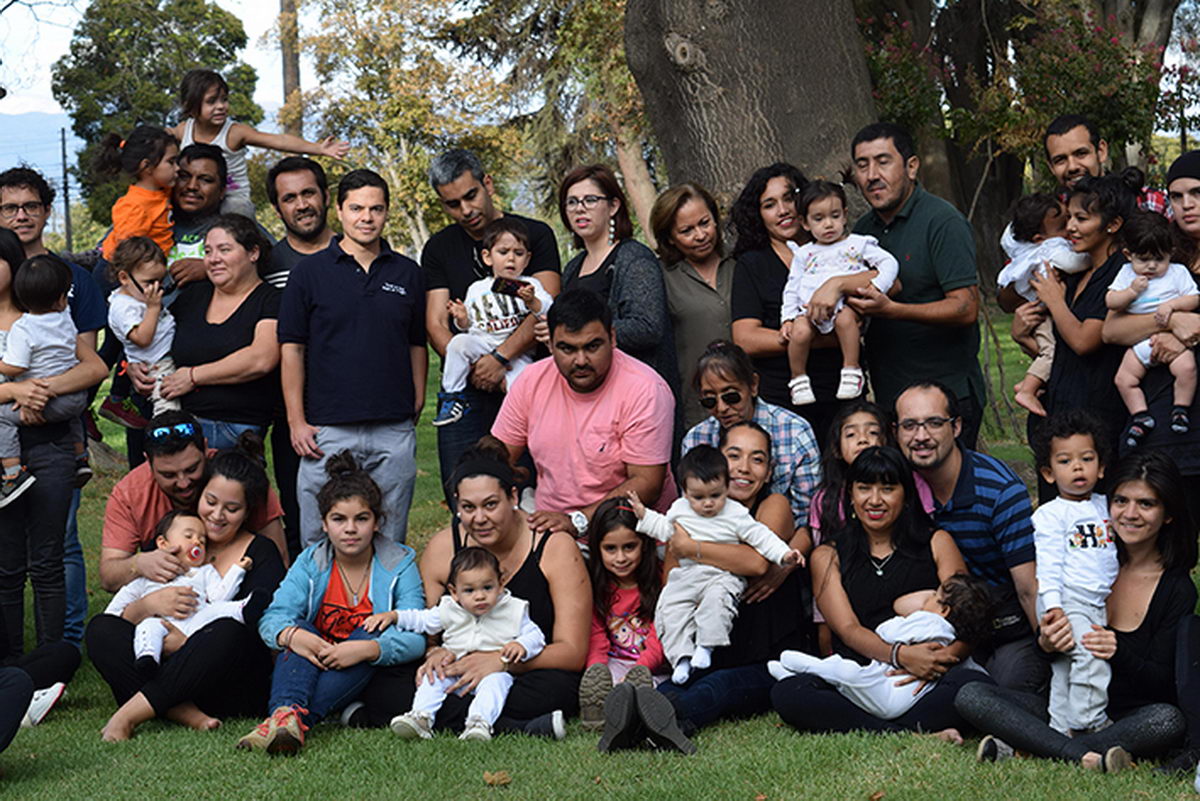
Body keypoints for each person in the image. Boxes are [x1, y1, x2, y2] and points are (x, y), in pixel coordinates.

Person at [956, 449, 1197, 772]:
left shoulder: (1176, 589)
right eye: (1121, 501)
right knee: (971, 695)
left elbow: (1164, 682)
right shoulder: (1086, 563)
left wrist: (1118, 651)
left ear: (1168, 514)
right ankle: (1077, 752)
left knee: (1167, 721)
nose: (1130, 514)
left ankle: (1037, 747)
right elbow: (1055, 658)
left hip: (1123, 716)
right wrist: (1046, 644)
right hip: (1062, 707)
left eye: (1146, 504)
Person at [349, 440, 589, 735]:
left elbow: (572, 652)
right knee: (385, 685)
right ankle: (515, 726)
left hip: (524, 670)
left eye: (491, 505)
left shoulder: (553, 545)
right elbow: (428, 630)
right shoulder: (444, 546)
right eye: (468, 507)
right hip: (456, 666)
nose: (480, 518)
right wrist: (434, 654)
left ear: (513, 496)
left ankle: (428, 716)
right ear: (456, 504)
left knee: (559, 689)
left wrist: (500, 662)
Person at [598, 421, 805, 752]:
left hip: (768, 654)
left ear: (768, 472)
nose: (744, 467)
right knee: (679, 683)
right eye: (734, 455)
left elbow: (755, 562)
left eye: (757, 459)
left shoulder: (772, 505)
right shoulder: (688, 514)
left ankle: (661, 723)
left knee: (718, 687)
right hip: (711, 649)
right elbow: (672, 576)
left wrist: (690, 547)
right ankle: (630, 720)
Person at [770, 446, 990, 739]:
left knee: (972, 686)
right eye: (864, 488)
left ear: (906, 494)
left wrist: (942, 659)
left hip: (926, 681)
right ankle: (905, 733)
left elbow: (967, 612)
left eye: (887, 489)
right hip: (860, 679)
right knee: (790, 693)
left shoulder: (936, 541)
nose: (875, 500)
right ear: (850, 494)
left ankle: (879, 727)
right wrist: (901, 655)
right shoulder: (828, 555)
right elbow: (848, 629)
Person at [89, 437, 287, 741]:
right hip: (166, 663)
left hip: (224, 679)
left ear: (247, 512)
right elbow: (125, 609)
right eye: (211, 502)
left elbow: (258, 629)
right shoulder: (174, 542)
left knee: (229, 629)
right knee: (100, 629)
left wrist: (186, 644)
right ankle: (180, 710)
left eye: (232, 508)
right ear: (199, 496)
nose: (217, 515)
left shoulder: (260, 553)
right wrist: (149, 605)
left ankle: (129, 715)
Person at [238, 451, 423, 754]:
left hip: (362, 667)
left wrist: (368, 649)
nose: (350, 529)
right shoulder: (311, 561)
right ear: (324, 523)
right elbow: (274, 616)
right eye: (339, 519)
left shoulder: (399, 563)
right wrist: (291, 635)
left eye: (361, 518)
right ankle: (288, 717)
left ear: (377, 522)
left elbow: (416, 634)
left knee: (375, 628)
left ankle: (283, 719)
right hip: (312, 661)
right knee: (298, 627)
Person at [279, 169, 426, 545]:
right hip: (326, 428)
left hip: (392, 426)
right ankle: (321, 588)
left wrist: (417, 396)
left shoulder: (407, 273)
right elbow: (292, 348)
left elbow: (416, 342)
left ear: (386, 211)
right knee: (317, 538)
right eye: (357, 208)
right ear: (340, 210)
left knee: (389, 537)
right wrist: (296, 421)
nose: (367, 217)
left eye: (376, 209)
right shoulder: (308, 274)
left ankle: (386, 587)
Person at [0, 170, 107, 645]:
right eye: (9, 208)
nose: (21, 215)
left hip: (53, 434)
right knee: (8, 556)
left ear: (46, 211)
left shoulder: (68, 286)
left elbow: (91, 364)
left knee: (57, 545)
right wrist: (18, 393)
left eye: (30, 206)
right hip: (12, 430)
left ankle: (63, 645)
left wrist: (36, 391)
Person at [423, 149, 561, 504]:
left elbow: (545, 306)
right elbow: (436, 322)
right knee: (462, 490)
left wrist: (500, 360)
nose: (466, 210)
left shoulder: (533, 235)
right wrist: (476, 368)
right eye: (453, 204)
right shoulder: (439, 248)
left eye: (471, 195)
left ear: (488, 184)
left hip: (527, 378)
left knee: (530, 486)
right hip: (467, 389)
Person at [894, 381, 1043, 692]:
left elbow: (1027, 588)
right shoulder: (896, 487)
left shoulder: (999, 490)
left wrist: (1049, 648)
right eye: (909, 425)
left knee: (1004, 689)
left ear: (957, 426)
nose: (921, 436)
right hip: (931, 621)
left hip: (1003, 625)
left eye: (934, 423)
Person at [492, 289, 675, 540]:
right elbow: (496, 457)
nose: (580, 360)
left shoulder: (646, 389)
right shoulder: (531, 380)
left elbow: (647, 483)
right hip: (551, 528)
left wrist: (577, 520)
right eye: (567, 349)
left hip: (630, 540)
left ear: (612, 338)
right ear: (550, 344)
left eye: (592, 346)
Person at [849, 122, 985, 448]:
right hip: (890, 399)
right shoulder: (860, 232)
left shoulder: (942, 221)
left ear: (911, 167)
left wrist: (893, 310)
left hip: (945, 398)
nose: (872, 175)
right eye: (862, 165)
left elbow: (965, 308)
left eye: (883, 162)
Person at [627, 445, 803, 684]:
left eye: (715, 495)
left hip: (722, 575)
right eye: (699, 497)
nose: (708, 503)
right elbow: (664, 528)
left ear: (725, 486)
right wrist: (644, 515)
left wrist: (784, 554)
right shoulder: (679, 509)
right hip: (687, 574)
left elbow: (761, 537)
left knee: (717, 603)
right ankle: (681, 659)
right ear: (685, 492)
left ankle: (706, 647)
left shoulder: (735, 513)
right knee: (670, 610)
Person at [1103, 150, 1200, 527]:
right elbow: (1112, 330)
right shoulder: (1157, 254)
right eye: (1176, 196)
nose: (1186, 204)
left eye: (1196, 193)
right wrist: (1173, 322)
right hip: (1162, 423)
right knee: (1167, 545)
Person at [135, 214, 281, 450]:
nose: (213, 259)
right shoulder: (193, 296)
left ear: (253, 253)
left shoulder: (271, 300)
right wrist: (136, 367)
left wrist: (192, 376)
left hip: (236, 429)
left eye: (224, 250)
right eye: (208, 251)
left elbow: (261, 359)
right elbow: (156, 338)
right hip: (181, 425)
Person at [1021, 170, 1138, 463]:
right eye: (1069, 218)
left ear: (1113, 224)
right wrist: (1023, 334)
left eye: (1081, 219)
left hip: (1096, 429)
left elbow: (1084, 342)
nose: (1070, 227)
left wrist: (1055, 301)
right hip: (1057, 419)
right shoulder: (1076, 271)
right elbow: (1063, 349)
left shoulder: (1122, 275)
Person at [98, 411, 286, 590]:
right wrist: (138, 564)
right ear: (148, 461)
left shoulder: (238, 479)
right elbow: (109, 576)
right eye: (168, 475)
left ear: (205, 448)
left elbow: (280, 562)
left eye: (191, 469)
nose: (183, 483)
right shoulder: (129, 493)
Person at [385, 547, 555, 742]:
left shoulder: (513, 609)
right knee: (433, 677)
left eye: (487, 588)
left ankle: (479, 723)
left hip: (492, 672)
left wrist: (522, 645)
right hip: (454, 669)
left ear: (500, 584)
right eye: (469, 590)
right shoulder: (448, 609)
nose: (479, 596)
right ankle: (421, 717)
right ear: (454, 592)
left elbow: (536, 636)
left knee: (496, 685)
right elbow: (421, 619)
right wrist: (394, 616)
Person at [770, 573, 992, 720]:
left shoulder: (931, 622)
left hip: (888, 691)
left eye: (934, 595)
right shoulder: (948, 634)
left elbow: (886, 632)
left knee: (848, 674)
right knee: (845, 687)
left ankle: (812, 667)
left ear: (944, 610)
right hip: (900, 697)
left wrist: (899, 622)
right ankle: (798, 676)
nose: (928, 596)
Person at [1031, 408, 1117, 736]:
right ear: (1049, 473)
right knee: (1091, 654)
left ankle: (1059, 730)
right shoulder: (1051, 514)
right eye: (1065, 461)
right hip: (1065, 599)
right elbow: (1048, 564)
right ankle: (1089, 723)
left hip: (1094, 602)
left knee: (1065, 667)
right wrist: (1053, 606)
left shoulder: (1107, 506)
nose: (1078, 467)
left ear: (1101, 467)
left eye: (1087, 459)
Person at [558, 164, 677, 394]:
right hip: (589, 392)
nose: (579, 209)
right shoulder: (572, 267)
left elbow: (648, 327)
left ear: (613, 206)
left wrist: (581, 333)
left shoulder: (634, 258)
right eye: (571, 202)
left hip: (635, 391)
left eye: (590, 200)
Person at [681, 340, 819, 535]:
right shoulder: (696, 438)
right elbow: (690, 508)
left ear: (753, 385)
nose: (721, 408)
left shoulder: (795, 431)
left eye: (731, 396)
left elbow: (808, 520)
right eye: (709, 400)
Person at [169, 69, 349, 218]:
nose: (221, 106)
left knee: (236, 213)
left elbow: (279, 141)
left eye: (224, 99)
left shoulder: (234, 133)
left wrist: (318, 148)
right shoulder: (184, 130)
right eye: (211, 101)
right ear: (191, 106)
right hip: (199, 195)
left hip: (232, 198)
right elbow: (160, 138)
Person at [781, 180, 898, 405]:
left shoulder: (857, 245)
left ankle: (851, 370)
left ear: (844, 215)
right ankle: (798, 379)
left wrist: (878, 286)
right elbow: (792, 287)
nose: (828, 224)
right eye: (818, 219)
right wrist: (787, 318)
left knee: (845, 320)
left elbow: (889, 262)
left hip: (847, 306)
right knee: (799, 332)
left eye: (834, 216)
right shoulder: (804, 254)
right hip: (809, 310)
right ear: (804, 223)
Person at [433, 218, 553, 426]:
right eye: (503, 252)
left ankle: (528, 423)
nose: (511, 259)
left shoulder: (530, 285)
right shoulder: (477, 289)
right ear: (487, 257)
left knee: (523, 386)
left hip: (517, 354)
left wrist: (532, 301)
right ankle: (453, 396)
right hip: (483, 343)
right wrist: (462, 318)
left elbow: (548, 309)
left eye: (518, 253)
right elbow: (469, 326)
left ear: (527, 259)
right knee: (458, 343)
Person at [104, 510, 254, 672]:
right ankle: (148, 657)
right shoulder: (148, 577)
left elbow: (219, 597)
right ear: (163, 543)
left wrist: (237, 571)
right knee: (148, 626)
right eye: (189, 536)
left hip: (197, 620)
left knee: (216, 611)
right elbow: (118, 606)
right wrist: (112, 618)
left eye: (202, 541)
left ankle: (245, 608)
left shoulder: (205, 572)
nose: (197, 542)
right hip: (162, 624)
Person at [1106, 212, 1199, 446]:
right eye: (1144, 259)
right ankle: (1140, 415)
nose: (1151, 266)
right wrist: (1131, 292)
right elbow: (1111, 302)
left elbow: (1193, 298)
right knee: (1123, 379)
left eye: (1159, 259)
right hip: (1140, 341)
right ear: (1128, 255)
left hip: (1174, 338)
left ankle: (1180, 409)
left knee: (1187, 369)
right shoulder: (1126, 274)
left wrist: (1172, 306)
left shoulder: (1177, 272)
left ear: (1170, 253)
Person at [808, 401, 894, 654]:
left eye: (872, 432)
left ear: (886, 441)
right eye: (851, 434)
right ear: (836, 448)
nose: (863, 439)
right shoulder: (825, 500)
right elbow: (822, 572)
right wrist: (824, 625)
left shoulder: (911, 485)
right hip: (846, 602)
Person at [0, 254, 87, 504]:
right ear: (61, 299)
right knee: (72, 415)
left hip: (45, 407)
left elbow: (16, 366)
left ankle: (12, 473)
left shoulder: (23, 328)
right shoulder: (65, 318)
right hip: (73, 398)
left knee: (1, 418)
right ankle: (80, 458)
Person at [996, 193, 1091, 417]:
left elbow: (1008, 235)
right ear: (1039, 237)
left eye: (1071, 217)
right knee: (1052, 351)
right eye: (1063, 224)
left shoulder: (1022, 245)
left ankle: (1034, 382)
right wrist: (1092, 255)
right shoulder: (1051, 248)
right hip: (1041, 312)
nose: (1070, 227)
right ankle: (1028, 389)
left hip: (1039, 309)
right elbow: (1074, 263)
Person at [650, 182, 735, 429]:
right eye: (686, 231)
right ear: (670, 238)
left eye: (704, 223)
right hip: (697, 407)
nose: (700, 235)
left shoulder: (740, 262)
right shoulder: (661, 276)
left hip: (750, 398)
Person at [579, 498, 663, 731]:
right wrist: (596, 670)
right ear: (597, 548)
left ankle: (626, 708)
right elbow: (596, 637)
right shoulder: (596, 585)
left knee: (653, 691)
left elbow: (659, 637)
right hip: (616, 661)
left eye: (629, 547)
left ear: (644, 544)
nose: (620, 558)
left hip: (654, 666)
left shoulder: (660, 578)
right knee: (606, 685)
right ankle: (601, 712)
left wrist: (640, 669)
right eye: (610, 549)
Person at [106, 237, 179, 416]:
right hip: (157, 365)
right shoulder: (122, 307)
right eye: (150, 282)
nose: (157, 288)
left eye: (160, 281)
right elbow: (142, 338)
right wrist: (153, 308)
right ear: (124, 278)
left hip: (167, 359)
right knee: (168, 410)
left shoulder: (138, 297)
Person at [1042, 113, 1170, 214]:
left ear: (1101, 151)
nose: (1072, 167)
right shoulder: (1050, 218)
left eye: (1081, 153)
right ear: (1051, 167)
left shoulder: (1149, 203)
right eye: (1060, 160)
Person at [96, 125, 179, 263]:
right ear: (147, 166)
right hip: (122, 270)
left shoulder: (163, 190)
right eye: (171, 162)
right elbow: (126, 252)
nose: (178, 168)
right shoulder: (135, 206)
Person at [263, 156, 334, 290]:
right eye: (289, 199)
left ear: (326, 197)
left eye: (308, 193)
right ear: (277, 210)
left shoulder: (359, 253)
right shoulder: (266, 267)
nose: (302, 206)